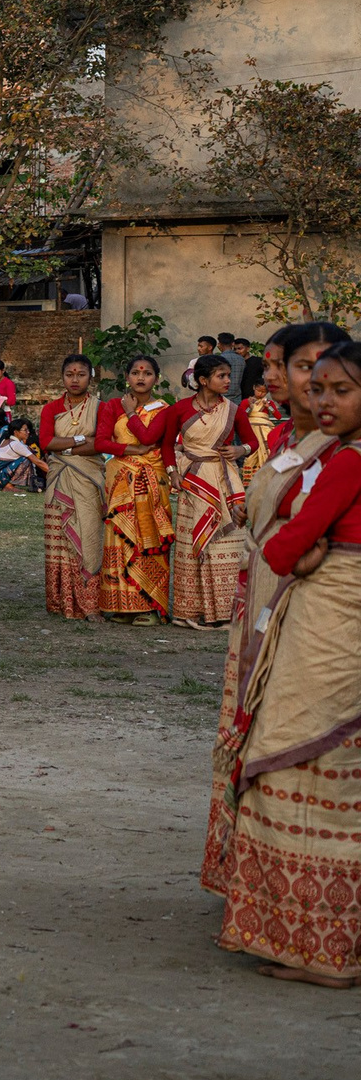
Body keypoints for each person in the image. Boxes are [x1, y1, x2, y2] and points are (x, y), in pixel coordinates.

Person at [209, 337, 361, 987]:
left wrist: (300, 551)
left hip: (332, 615)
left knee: (296, 750)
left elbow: (283, 548)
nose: (323, 401)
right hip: (335, 616)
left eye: (339, 389)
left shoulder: (348, 464)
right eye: (317, 386)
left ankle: (322, 950)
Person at [167, 355, 257, 629]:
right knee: (192, 547)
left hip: (224, 479)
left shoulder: (233, 409)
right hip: (193, 481)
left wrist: (240, 450)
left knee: (227, 546)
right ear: (204, 380)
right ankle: (190, 612)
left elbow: (251, 441)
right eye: (222, 376)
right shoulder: (180, 409)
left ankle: (227, 613)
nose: (228, 381)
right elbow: (165, 444)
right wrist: (172, 472)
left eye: (228, 375)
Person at [99, 355, 178, 625]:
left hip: (152, 483)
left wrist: (131, 413)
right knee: (120, 542)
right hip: (121, 482)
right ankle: (122, 605)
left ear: (156, 378)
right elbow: (101, 441)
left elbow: (149, 438)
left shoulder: (165, 409)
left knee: (147, 540)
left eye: (147, 373)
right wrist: (130, 450)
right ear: (127, 377)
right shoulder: (111, 406)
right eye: (135, 372)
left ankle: (147, 607)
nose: (140, 378)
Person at [39, 355, 113, 620]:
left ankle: (89, 603)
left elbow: (101, 444)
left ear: (90, 377)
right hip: (59, 479)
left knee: (89, 536)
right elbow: (47, 442)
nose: (74, 379)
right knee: (60, 539)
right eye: (69, 374)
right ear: (62, 377)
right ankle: (62, 601)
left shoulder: (101, 408)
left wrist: (66, 444)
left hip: (89, 478)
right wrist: (80, 440)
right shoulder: (51, 408)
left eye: (80, 374)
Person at [0, 420, 43, 492]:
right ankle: (8, 486)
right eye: (25, 430)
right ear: (16, 432)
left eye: (28, 430)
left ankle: (6, 485)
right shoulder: (16, 444)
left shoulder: (7, 440)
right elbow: (37, 462)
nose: (28, 432)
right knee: (26, 460)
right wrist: (52, 472)